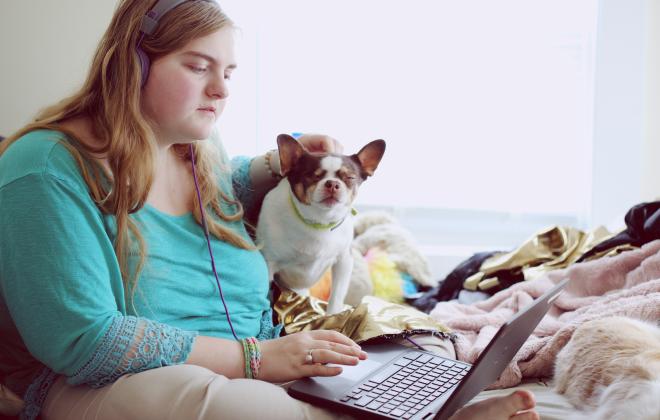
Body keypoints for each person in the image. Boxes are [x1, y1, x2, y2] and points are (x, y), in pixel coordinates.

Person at [0, 1, 539, 419]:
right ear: (133, 65)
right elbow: (87, 342)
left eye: (229, 72)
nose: (220, 89)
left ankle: (399, 402)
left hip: (256, 350)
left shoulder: (193, 145)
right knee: (214, 403)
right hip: (108, 381)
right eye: (198, 66)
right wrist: (257, 361)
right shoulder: (46, 169)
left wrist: (278, 165)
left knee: (409, 343)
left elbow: (222, 194)